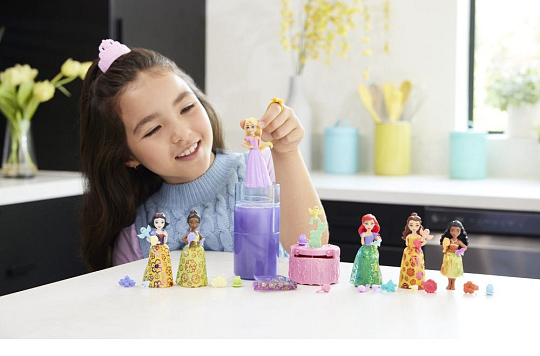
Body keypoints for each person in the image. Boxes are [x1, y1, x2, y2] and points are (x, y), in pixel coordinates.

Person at [80, 39, 327, 270]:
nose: (181, 133)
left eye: (187, 107)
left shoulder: (262, 167)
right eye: (153, 129)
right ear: (127, 155)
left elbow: (311, 246)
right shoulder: (138, 236)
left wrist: (287, 152)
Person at [398, 211, 433, 290]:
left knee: (417, 267)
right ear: (408, 225)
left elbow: (424, 242)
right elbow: (407, 244)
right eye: (411, 225)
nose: (414, 227)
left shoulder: (419, 236)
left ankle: (417, 282)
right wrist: (412, 246)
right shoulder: (409, 236)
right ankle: (407, 281)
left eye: (417, 225)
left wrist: (419, 245)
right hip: (409, 253)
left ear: (419, 226)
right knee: (408, 266)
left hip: (417, 252)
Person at [349, 213, 383, 287]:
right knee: (364, 264)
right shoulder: (363, 234)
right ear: (363, 224)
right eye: (366, 223)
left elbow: (379, 240)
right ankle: (363, 281)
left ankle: (373, 281)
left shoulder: (374, 234)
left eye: (371, 223)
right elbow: (363, 243)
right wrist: (363, 237)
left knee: (372, 264)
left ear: (374, 224)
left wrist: (374, 243)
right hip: (365, 249)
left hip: (372, 250)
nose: (369, 226)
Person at [439, 219, 469, 290]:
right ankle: (449, 283)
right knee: (449, 271)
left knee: (454, 272)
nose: (454, 233)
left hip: (456, 258)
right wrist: (446, 249)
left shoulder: (458, 241)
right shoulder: (448, 240)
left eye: (457, 231)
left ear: (460, 232)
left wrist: (459, 251)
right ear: (449, 230)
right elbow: (445, 247)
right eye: (452, 230)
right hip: (448, 257)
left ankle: (453, 284)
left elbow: (465, 247)